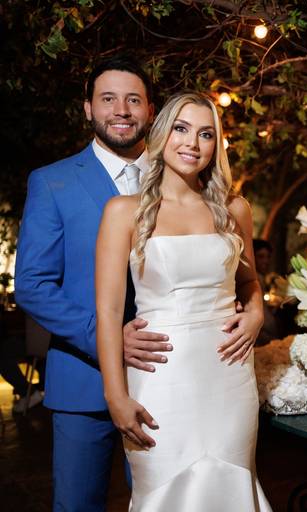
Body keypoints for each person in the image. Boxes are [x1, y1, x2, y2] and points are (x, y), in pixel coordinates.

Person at [95, 91, 271, 511]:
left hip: (229, 375)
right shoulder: (123, 211)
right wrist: (115, 396)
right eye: (181, 128)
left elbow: (249, 281)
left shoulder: (235, 209)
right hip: (160, 377)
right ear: (162, 134)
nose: (192, 143)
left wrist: (257, 313)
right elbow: (109, 311)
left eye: (206, 134)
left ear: (216, 145)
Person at [14, 55, 173, 511]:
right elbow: (33, 284)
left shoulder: (178, 181)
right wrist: (106, 337)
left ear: (150, 109)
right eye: (108, 99)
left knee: (166, 502)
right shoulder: (53, 182)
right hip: (84, 380)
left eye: (133, 100)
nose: (121, 110)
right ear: (88, 108)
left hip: (167, 375)